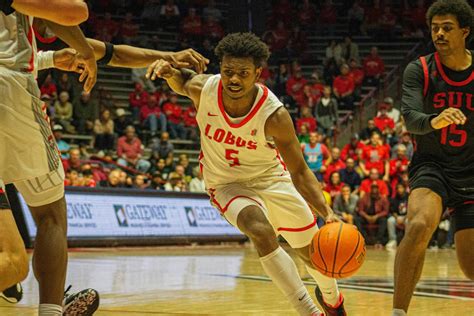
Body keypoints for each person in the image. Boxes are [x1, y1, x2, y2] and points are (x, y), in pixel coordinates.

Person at [147, 32, 346, 316]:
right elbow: (183, 80)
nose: (234, 80)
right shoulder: (205, 89)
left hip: (272, 180)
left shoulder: (274, 115)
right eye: (228, 71)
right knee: (259, 229)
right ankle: (308, 311)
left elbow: (300, 171)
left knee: (314, 256)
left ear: (257, 73)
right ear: (221, 68)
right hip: (226, 184)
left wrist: (327, 211)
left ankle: (333, 300)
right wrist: (168, 73)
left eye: (243, 73)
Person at [0, 1, 100, 314]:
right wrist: (84, 49)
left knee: (13, 263)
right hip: (10, 89)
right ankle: (51, 311)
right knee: (50, 213)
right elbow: (73, 12)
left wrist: (52, 57)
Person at [393, 1, 474, 315]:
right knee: (419, 224)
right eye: (435, 27)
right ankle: (398, 312)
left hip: (471, 171)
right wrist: (435, 121)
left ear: (465, 31)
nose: (439, 33)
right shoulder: (421, 68)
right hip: (433, 165)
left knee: (469, 269)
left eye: (447, 28)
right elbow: (411, 117)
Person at [357, 183, 390, 248]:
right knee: (357, 219)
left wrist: (377, 216)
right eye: (373, 188)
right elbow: (360, 210)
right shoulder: (365, 197)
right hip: (366, 216)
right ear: (370, 189)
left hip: (377, 217)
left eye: (376, 188)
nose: (374, 190)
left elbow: (386, 211)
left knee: (384, 220)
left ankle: (378, 240)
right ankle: (364, 239)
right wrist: (366, 216)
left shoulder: (383, 198)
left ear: (378, 190)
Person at [386, 183, 409, 249]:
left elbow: (412, 210)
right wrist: (397, 218)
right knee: (390, 220)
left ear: (404, 188)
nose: (399, 190)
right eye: (398, 188)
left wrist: (404, 218)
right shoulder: (395, 198)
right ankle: (392, 240)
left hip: (407, 217)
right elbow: (393, 211)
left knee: (408, 221)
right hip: (398, 217)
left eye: (401, 188)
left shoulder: (409, 197)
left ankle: (408, 241)